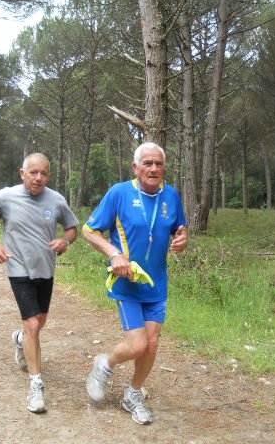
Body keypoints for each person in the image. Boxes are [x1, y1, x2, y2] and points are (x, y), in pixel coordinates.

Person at [83, 142, 188, 425]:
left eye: (158, 164)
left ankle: (133, 393)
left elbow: (179, 230)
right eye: (147, 163)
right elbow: (89, 230)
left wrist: (182, 240)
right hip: (127, 284)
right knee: (138, 345)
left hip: (157, 284)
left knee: (151, 345)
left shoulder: (172, 195)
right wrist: (114, 254)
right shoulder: (119, 193)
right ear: (135, 167)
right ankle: (105, 364)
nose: (153, 169)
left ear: (164, 168)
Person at [0, 153, 79, 414]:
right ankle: (36, 385)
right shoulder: (6, 196)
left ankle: (21, 339)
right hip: (18, 267)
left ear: (49, 176)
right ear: (23, 173)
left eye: (44, 173)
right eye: (33, 172)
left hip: (46, 269)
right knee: (32, 324)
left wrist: (65, 241)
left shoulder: (56, 200)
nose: (38, 178)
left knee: (39, 323)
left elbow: (72, 228)